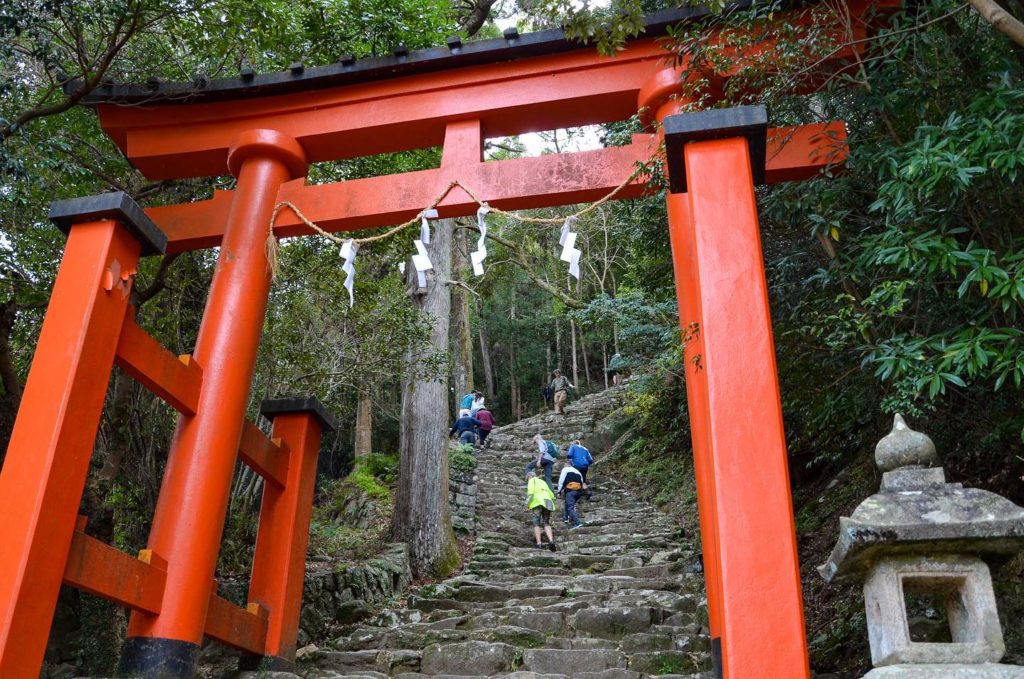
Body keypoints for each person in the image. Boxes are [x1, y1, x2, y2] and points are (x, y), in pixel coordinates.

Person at [526, 471, 557, 551]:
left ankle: (539, 543)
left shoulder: (532, 481)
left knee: (536, 524)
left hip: (537, 502)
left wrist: (527, 504)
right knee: (546, 523)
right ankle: (551, 541)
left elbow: (531, 493)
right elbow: (551, 494)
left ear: (529, 476)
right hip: (548, 502)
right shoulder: (543, 482)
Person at [556, 461, 586, 529]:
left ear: (566, 464)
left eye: (564, 465)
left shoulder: (565, 469)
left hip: (570, 491)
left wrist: (559, 491)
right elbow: (581, 482)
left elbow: (561, 480)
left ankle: (577, 522)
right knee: (568, 503)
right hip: (578, 491)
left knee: (570, 507)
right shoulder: (578, 472)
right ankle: (566, 518)